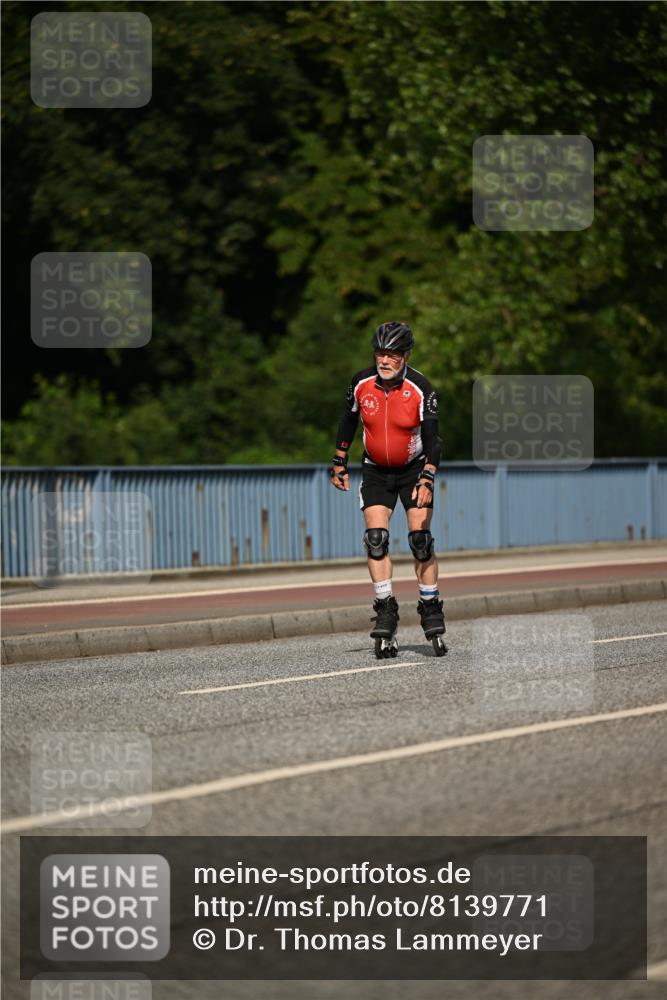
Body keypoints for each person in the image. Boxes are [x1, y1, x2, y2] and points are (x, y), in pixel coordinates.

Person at [330, 321, 446, 656]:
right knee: (375, 539)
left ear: (406, 355)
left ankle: (430, 606)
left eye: (392, 354)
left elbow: (433, 439)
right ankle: (385, 608)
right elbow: (348, 420)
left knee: (420, 541)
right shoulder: (361, 383)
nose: (384, 360)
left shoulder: (422, 388)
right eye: (380, 353)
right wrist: (339, 459)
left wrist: (427, 476)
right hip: (376, 471)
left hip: (413, 472)